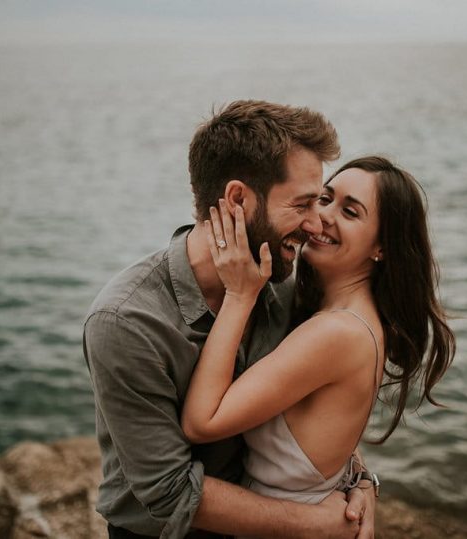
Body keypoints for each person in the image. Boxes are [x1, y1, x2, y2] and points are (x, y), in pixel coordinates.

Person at [83, 100, 375, 539]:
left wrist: (360, 480)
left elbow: (310, 413)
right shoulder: (126, 322)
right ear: (238, 199)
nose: (317, 225)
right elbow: (170, 492)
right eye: (303, 204)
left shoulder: (284, 284)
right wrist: (316, 524)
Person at [181, 156, 455, 534]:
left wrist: (239, 296)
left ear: (383, 247)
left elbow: (201, 422)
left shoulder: (337, 333)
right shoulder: (348, 317)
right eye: (325, 199)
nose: (323, 216)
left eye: (350, 211)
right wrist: (361, 480)